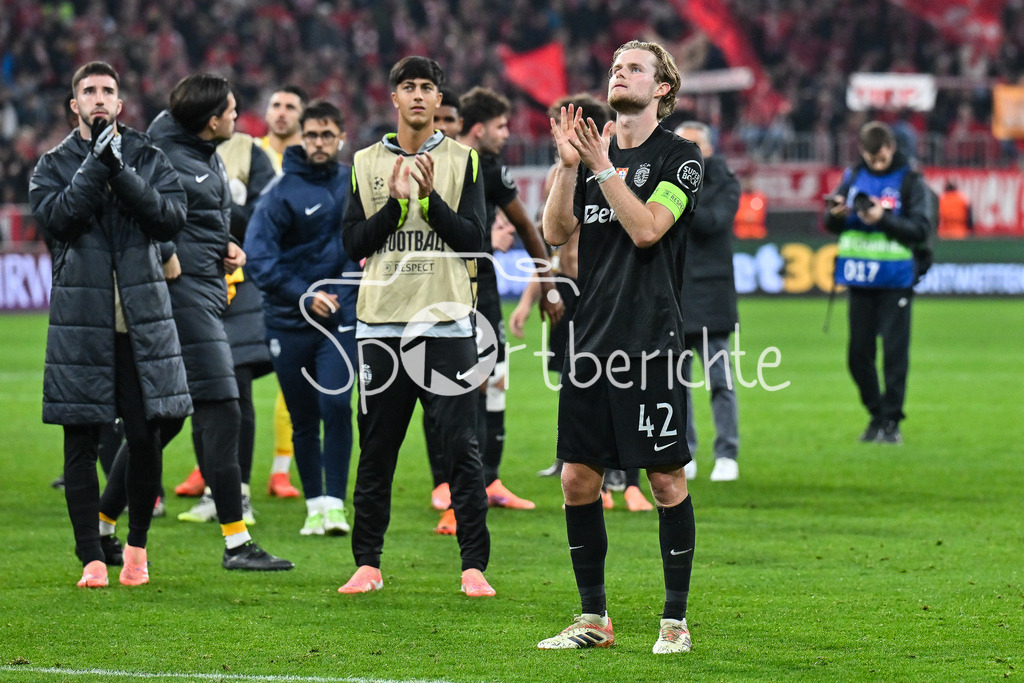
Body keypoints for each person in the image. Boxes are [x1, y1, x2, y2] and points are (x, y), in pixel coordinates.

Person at [536, 40, 701, 654]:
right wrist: (569, 165)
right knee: (578, 480)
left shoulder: (680, 157)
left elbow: (648, 229)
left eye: (633, 67)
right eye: (614, 66)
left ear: (661, 88)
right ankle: (592, 620)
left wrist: (603, 167)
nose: (618, 73)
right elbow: (555, 233)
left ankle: (674, 623)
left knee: (664, 482)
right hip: (590, 340)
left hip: (649, 342)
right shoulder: (590, 155)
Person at [101, 73, 293, 571]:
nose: (237, 117)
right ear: (211, 122)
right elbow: (131, 207)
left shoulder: (195, 151)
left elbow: (195, 218)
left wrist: (221, 247)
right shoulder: (161, 155)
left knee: (161, 424)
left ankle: (102, 523)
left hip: (206, 290)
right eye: (231, 110)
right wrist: (166, 251)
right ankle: (236, 542)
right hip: (183, 299)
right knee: (224, 408)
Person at [29, 61, 191, 587]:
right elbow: (58, 220)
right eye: (89, 91)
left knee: (145, 438)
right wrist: (98, 165)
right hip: (82, 325)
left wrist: (119, 168)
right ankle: (92, 558)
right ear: (73, 105)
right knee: (79, 440)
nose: (99, 98)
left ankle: (138, 548)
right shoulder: (50, 166)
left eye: (108, 91)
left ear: (120, 105)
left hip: (139, 324)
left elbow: (170, 218)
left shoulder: (147, 155)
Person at [339, 56, 494, 597]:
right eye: (409, 87)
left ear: (438, 100)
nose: (419, 96)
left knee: (461, 450)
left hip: (446, 324)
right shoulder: (363, 163)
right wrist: (396, 208)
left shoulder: (464, 161)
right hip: (380, 324)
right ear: (394, 98)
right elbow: (353, 243)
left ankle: (473, 565)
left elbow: (476, 240)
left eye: (428, 86)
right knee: (377, 449)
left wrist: (427, 200)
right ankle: (367, 563)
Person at [427, 86, 566, 534]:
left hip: (483, 293)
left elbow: (528, 226)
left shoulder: (486, 168)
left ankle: (488, 482)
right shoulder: (439, 166)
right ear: (480, 127)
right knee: (454, 392)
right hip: (441, 294)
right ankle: (452, 492)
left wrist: (545, 283)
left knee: (493, 383)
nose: (507, 134)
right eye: (502, 126)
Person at [510, 93, 654, 513]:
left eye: (567, 124)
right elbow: (547, 244)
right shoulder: (563, 173)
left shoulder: (615, 172)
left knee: (621, 381)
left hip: (605, 291)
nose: (560, 133)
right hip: (568, 289)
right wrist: (533, 298)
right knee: (574, 378)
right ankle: (573, 457)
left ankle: (625, 475)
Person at [246, 99, 359, 537]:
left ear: (340, 137)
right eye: (311, 134)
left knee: (336, 404)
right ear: (300, 136)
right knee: (304, 415)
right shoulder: (279, 193)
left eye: (326, 134)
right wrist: (304, 296)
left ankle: (336, 505)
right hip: (289, 320)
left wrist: (346, 286)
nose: (318, 142)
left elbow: (363, 243)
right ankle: (315, 505)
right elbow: (259, 258)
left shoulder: (353, 183)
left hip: (339, 317)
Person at [174, 123, 279, 524]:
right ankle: (214, 492)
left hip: (240, 285)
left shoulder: (250, 152)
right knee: (202, 390)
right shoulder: (174, 150)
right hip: (193, 283)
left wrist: (216, 204)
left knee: (237, 385)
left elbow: (260, 217)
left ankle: (240, 493)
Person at [825, 120, 935, 445]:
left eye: (881, 157)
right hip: (860, 277)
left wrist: (883, 219)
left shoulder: (911, 180)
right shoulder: (853, 176)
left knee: (894, 354)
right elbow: (830, 224)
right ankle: (876, 413)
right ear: (862, 151)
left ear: (891, 148)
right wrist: (837, 214)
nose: (876, 163)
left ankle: (891, 422)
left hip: (896, 279)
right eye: (871, 158)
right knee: (858, 355)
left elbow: (921, 229)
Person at [674, 121, 742, 482]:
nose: (685, 150)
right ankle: (686, 452)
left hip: (711, 296)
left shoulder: (725, 182)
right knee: (677, 383)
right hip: (676, 293)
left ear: (709, 149)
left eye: (693, 144)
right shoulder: (668, 179)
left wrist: (677, 198)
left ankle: (727, 452)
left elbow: (714, 222)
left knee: (720, 380)